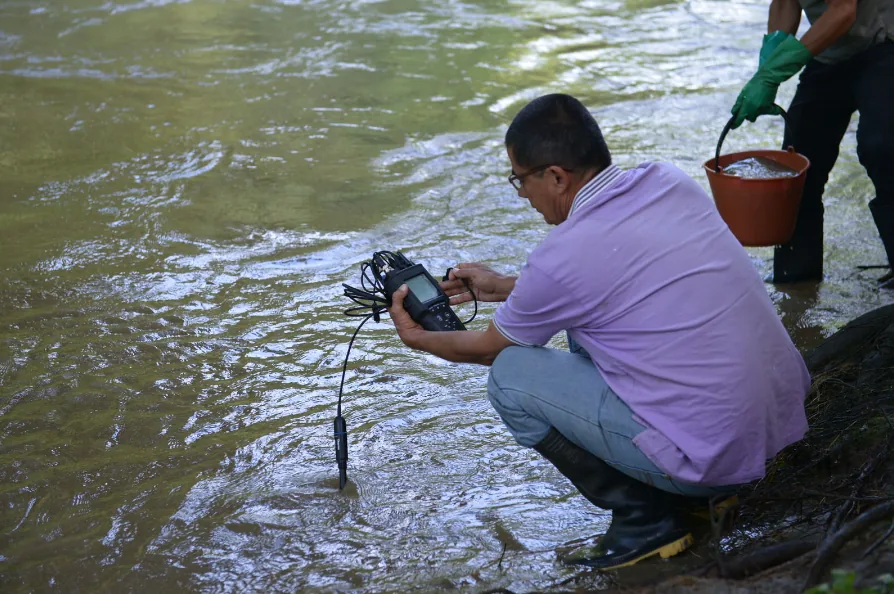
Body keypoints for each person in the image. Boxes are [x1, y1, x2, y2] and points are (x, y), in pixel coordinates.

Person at [386, 94, 811, 570]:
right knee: (585, 329)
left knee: (510, 374)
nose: (522, 194)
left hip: (712, 459)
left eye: (520, 179)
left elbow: (488, 349)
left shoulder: (563, 255)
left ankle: (648, 517)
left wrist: (417, 338)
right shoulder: (667, 181)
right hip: (772, 427)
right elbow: (614, 276)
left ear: (556, 176)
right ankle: (693, 496)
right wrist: (506, 286)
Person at [729, 0, 893, 283]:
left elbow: (843, 10)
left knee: (882, 147)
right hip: (828, 52)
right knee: (798, 164)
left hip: (883, 42)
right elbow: (785, 3)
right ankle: (795, 284)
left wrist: (779, 69)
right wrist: (770, 58)